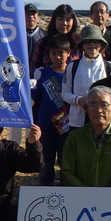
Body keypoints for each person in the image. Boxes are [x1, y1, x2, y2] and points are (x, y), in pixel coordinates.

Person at [61, 86, 111, 187]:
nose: (99, 110)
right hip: (82, 199)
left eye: (104, 105)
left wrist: (108, 196)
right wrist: (88, 194)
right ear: (87, 109)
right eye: (93, 104)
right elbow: (67, 171)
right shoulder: (75, 138)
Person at [30, 34, 72, 185]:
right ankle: (45, 185)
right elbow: (34, 97)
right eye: (54, 53)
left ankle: (65, 185)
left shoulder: (72, 72)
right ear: (49, 54)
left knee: (64, 158)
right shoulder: (42, 73)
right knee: (46, 158)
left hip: (66, 125)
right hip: (46, 124)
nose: (58, 57)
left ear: (68, 53)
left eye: (61, 52)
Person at [61, 25, 111, 132]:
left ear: (101, 45)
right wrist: (79, 100)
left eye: (96, 42)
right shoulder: (72, 67)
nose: (92, 45)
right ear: (82, 45)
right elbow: (64, 93)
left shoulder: (109, 67)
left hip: (102, 121)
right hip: (77, 121)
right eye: (88, 42)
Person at [31, 4, 80, 70]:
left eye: (68, 20)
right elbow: (33, 68)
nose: (64, 23)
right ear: (54, 21)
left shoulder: (79, 44)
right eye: (61, 19)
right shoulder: (43, 43)